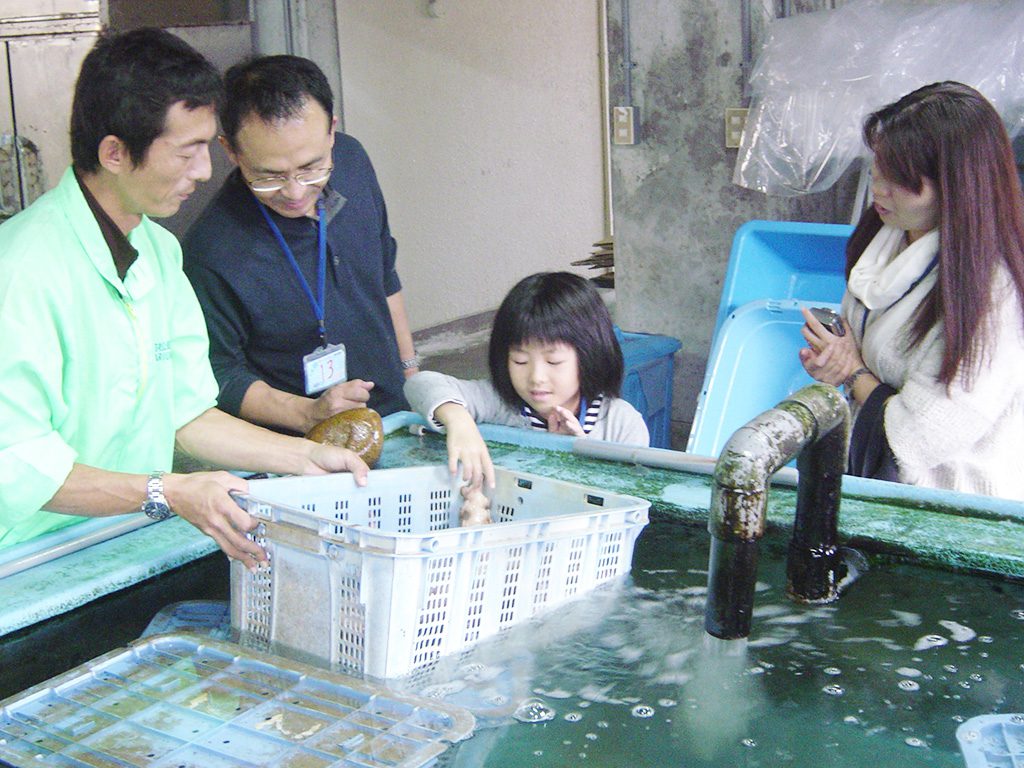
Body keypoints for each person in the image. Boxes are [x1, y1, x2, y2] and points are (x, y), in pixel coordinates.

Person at [0, 29, 369, 566]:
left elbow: (186, 411)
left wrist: (307, 456)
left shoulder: (157, 250)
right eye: (189, 151)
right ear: (115, 153)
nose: (204, 170)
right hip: (28, 564)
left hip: (118, 543)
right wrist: (165, 491)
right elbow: (16, 464)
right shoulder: (20, 271)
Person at [799, 81, 1024, 500]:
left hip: (955, 508)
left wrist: (853, 372)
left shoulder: (993, 295)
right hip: (872, 480)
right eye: (877, 170)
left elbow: (916, 436)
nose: (878, 190)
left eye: (900, 179)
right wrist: (838, 366)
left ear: (957, 185)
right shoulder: (887, 234)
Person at [183, 55, 417, 437]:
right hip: (299, 445)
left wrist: (412, 374)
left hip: (396, 414)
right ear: (230, 150)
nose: (294, 192)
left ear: (332, 132)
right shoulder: (212, 251)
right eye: (269, 176)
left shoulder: (353, 160)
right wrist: (307, 414)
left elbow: (385, 272)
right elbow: (221, 373)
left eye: (312, 168)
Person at [405, 272, 650, 489]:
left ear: (590, 355)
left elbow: (631, 499)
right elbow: (420, 383)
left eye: (553, 362)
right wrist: (458, 420)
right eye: (520, 361)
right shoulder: (501, 403)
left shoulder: (621, 423)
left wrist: (573, 456)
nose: (536, 378)